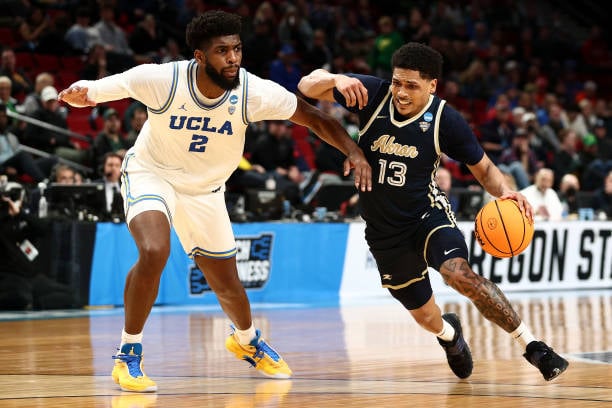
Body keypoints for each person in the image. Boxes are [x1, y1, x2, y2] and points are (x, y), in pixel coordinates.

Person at [58, 10, 371, 392]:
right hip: (152, 174)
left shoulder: (252, 92)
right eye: (222, 51)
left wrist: (353, 152)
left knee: (228, 284)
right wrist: (82, 92)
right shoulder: (163, 79)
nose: (233, 58)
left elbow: (312, 117)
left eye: (237, 49)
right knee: (155, 251)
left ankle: (246, 340)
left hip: (206, 191)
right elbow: (105, 87)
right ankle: (128, 355)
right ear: (199, 57)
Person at [298, 42, 568, 382]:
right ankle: (449, 335)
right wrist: (334, 78)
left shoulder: (446, 120)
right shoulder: (372, 93)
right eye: (398, 82)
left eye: (412, 85)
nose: (401, 92)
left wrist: (505, 192)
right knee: (426, 317)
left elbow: (481, 167)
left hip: (427, 217)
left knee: (458, 275)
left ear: (432, 86)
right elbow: (305, 86)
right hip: (384, 233)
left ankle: (534, 347)